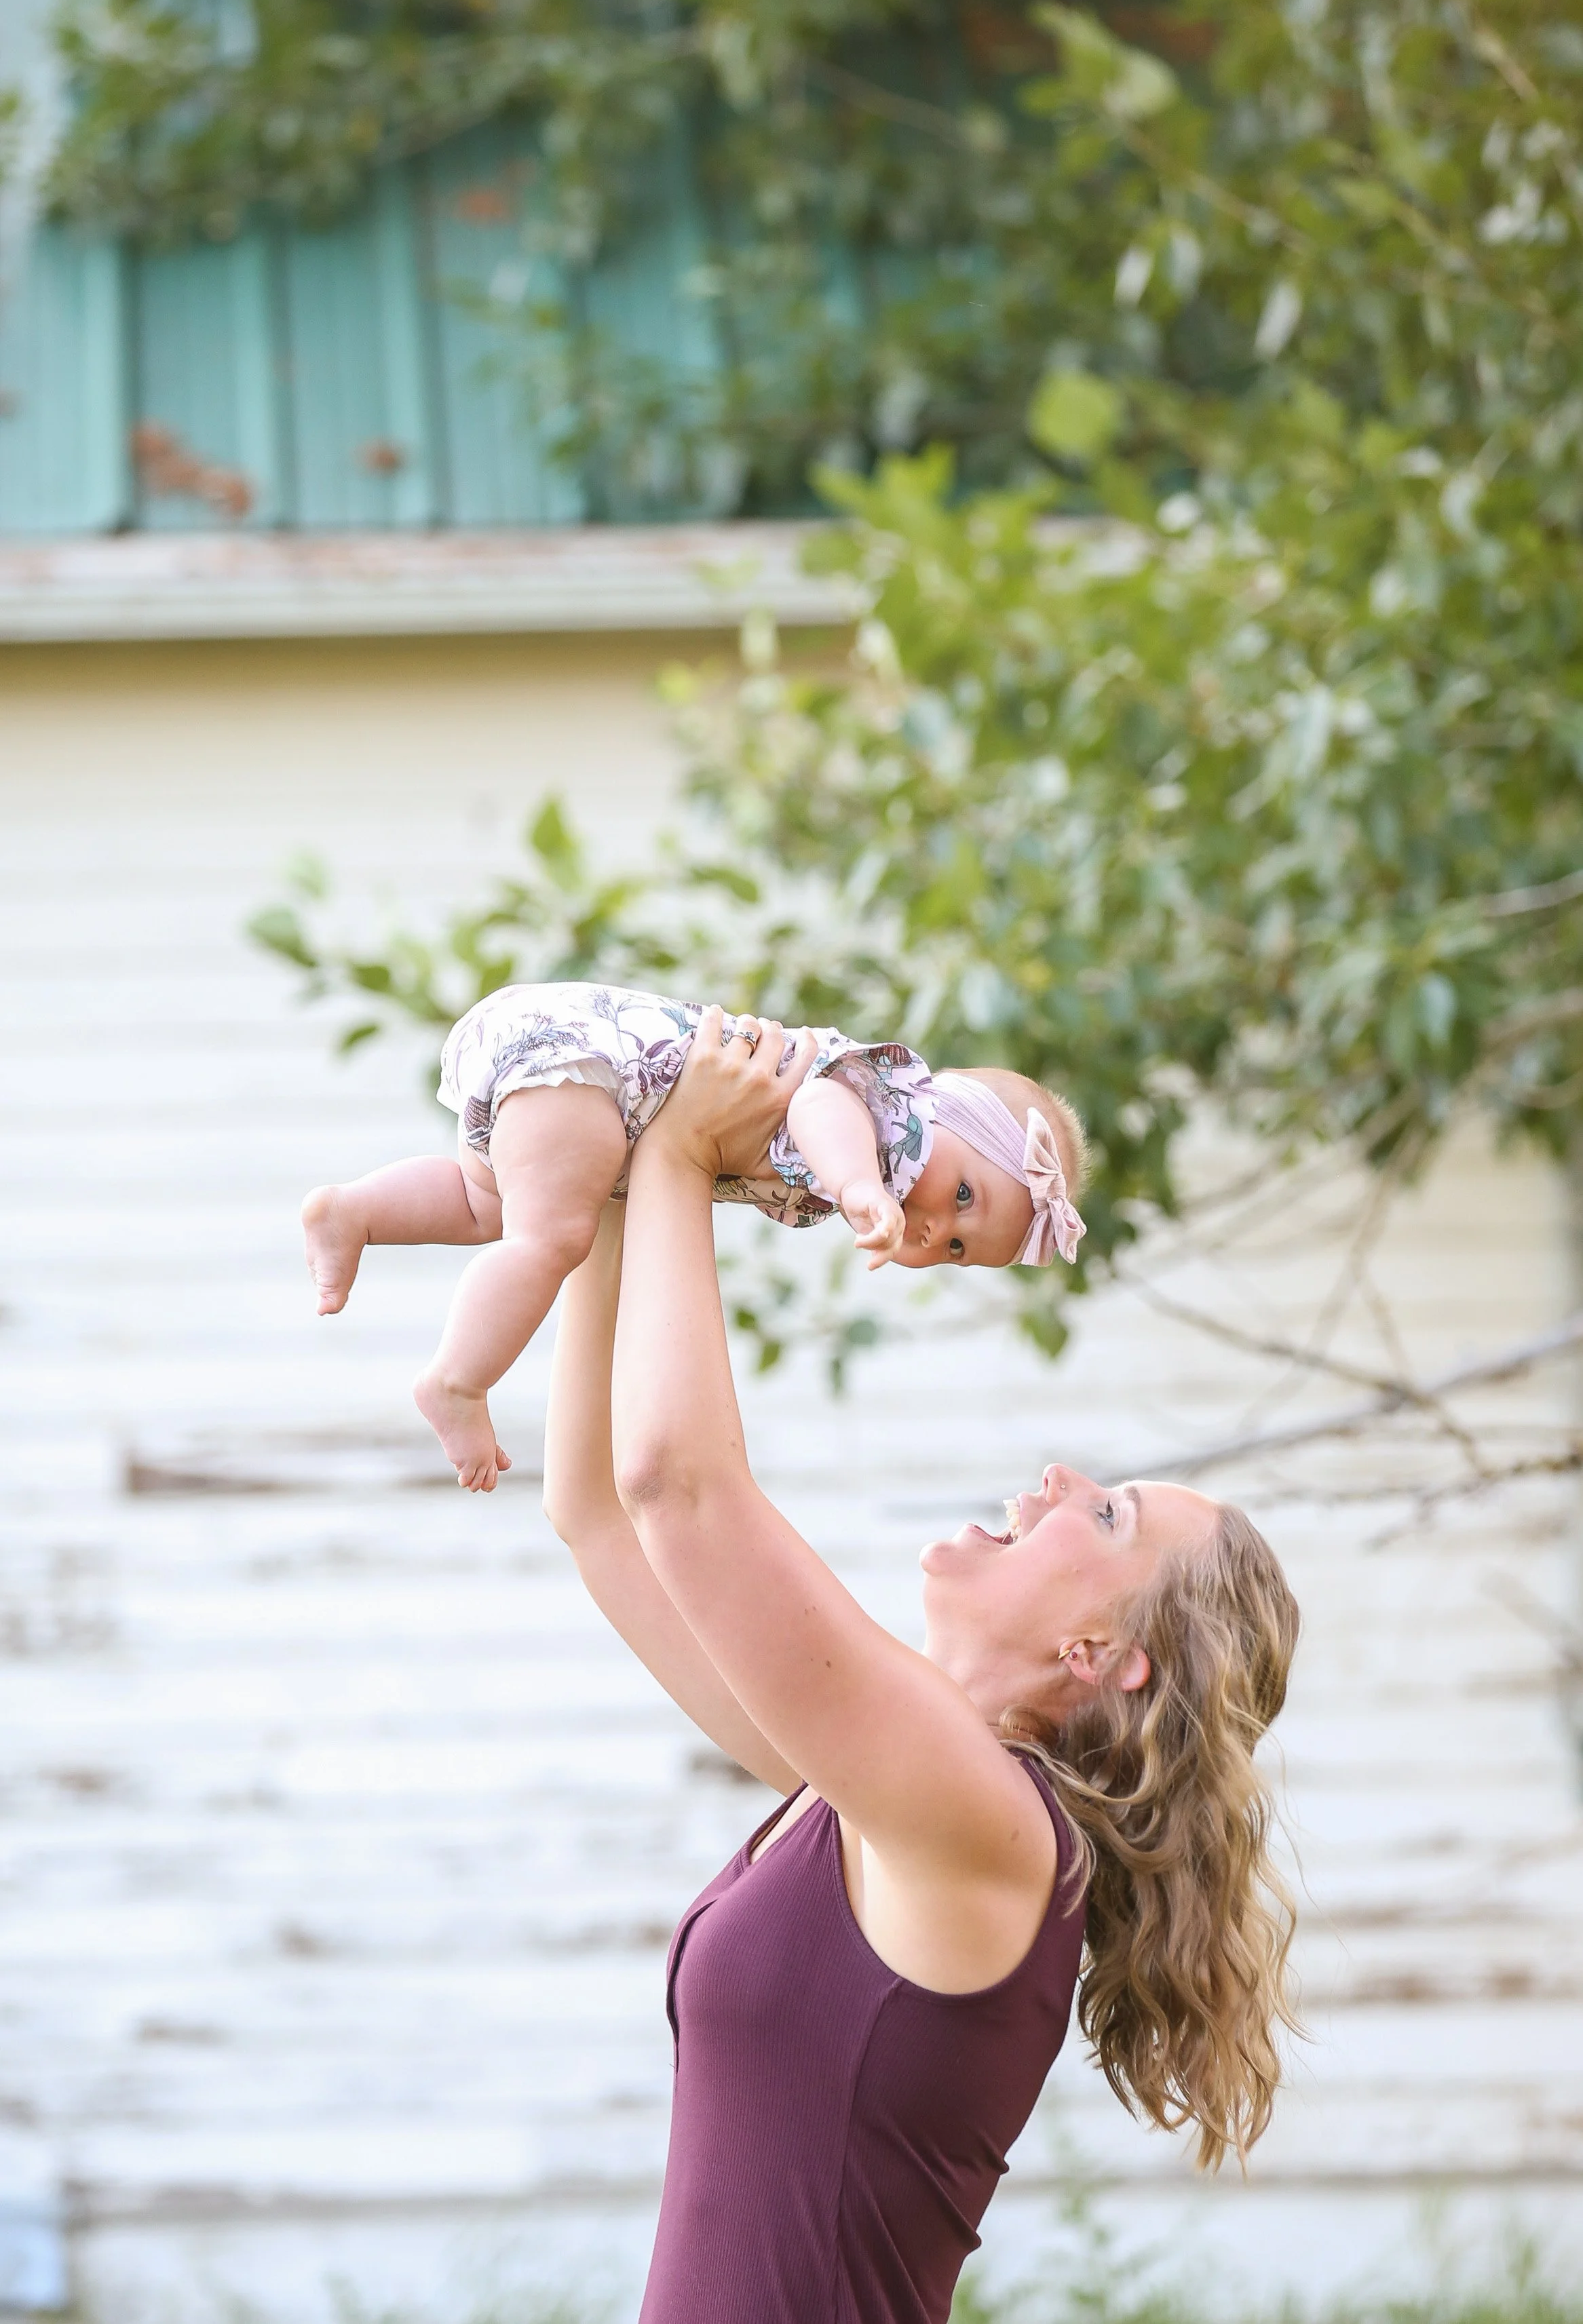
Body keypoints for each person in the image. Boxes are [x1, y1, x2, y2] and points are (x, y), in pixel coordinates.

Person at [543, 1010, 1301, 2324]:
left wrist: (676, 1162)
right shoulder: (871, 1801)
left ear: (1099, 1654)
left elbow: (679, 1489)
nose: (1061, 1478)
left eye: (1107, 1514)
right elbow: (600, 1517)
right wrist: (610, 1190)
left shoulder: (987, 1829)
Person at [301, 980, 1087, 1491]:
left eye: (953, 1247)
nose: (935, 1225)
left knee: (487, 1204)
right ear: (943, 1108)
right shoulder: (888, 1110)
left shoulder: (894, 1149)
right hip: (595, 1072)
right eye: (961, 1196)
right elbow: (817, 1108)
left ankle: (354, 1212)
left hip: (576, 1084)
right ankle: (457, 1379)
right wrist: (855, 1184)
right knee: (548, 1242)